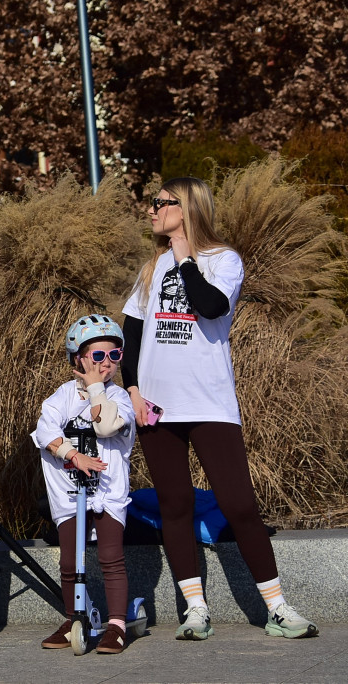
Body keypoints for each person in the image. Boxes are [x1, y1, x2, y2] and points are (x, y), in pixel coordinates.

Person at [121, 177, 318, 640]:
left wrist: (186, 258)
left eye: (160, 204)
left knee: (239, 504)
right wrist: (131, 390)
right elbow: (130, 333)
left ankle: (276, 606)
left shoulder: (223, 260)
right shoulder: (151, 268)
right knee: (175, 504)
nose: (150, 210)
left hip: (209, 402)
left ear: (185, 208)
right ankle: (195, 607)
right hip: (156, 405)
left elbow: (210, 307)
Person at [34, 315, 134, 655]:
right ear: (78, 358)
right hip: (69, 490)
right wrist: (72, 454)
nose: (106, 363)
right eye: (97, 357)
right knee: (70, 560)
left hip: (107, 490)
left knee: (110, 556)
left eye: (114, 356)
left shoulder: (119, 398)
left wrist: (95, 388)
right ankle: (75, 616)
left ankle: (117, 623)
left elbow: (106, 426)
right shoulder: (61, 397)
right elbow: (44, 430)